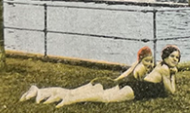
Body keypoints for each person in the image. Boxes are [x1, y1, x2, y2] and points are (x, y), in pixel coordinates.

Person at [19, 45, 180, 108]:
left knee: (99, 95)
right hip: (137, 90)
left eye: (177, 58)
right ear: (165, 57)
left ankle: (41, 92)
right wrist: (173, 76)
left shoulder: (159, 66)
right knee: (105, 98)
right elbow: (171, 93)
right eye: (173, 56)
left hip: (132, 86)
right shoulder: (165, 70)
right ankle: (69, 100)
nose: (175, 60)